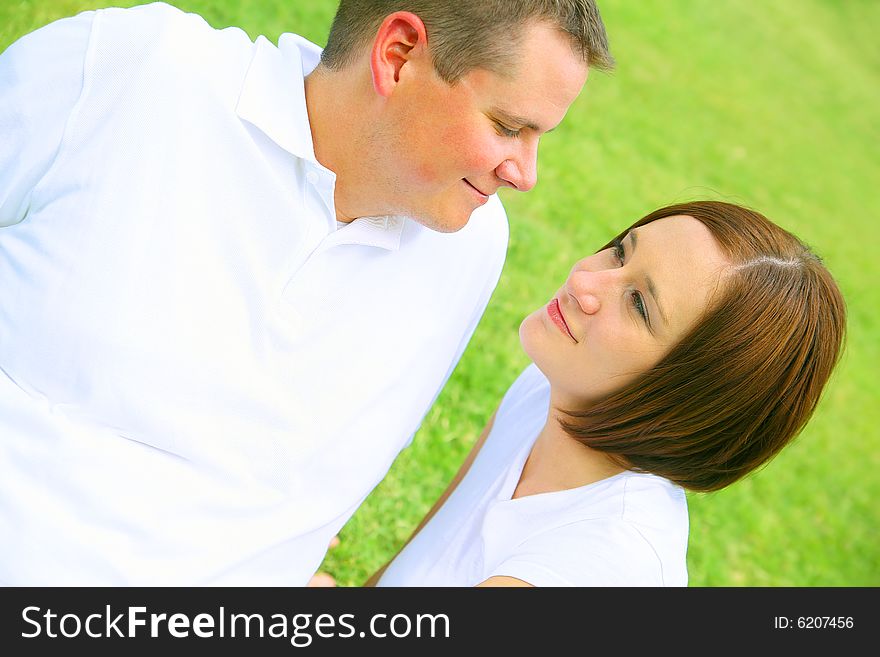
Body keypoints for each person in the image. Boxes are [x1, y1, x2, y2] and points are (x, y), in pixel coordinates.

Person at [0, 1, 613, 585]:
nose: (525, 174)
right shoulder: (129, 71)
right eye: (508, 127)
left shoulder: (468, 247)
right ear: (397, 56)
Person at [370, 200, 847, 586]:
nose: (584, 280)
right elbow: (427, 548)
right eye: (621, 251)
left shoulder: (606, 561)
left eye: (638, 303)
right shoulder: (553, 389)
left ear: (688, 396)